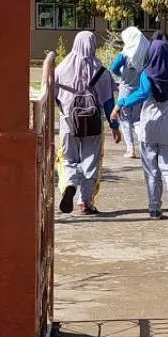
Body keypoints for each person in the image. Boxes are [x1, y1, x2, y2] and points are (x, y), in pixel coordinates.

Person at [112, 38, 168, 225]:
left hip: (149, 128)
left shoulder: (147, 74)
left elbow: (142, 94)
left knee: (151, 170)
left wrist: (121, 103)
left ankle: (155, 208)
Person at [55, 31, 120, 216]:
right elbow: (109, 104)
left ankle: (69, 184)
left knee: (68, 158)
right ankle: (85, 202)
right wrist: (115, 128)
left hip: (69, 120)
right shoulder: (102, 72)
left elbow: (53, 95)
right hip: (93, 122)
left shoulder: (61, 69)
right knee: (90, 161)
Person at [109, 26, 149, 159]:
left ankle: (130, 148)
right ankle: (143, 144)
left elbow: (113, 67)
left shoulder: (125, 54)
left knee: (125, 119)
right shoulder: (145, 53)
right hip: (140, 89)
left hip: (126, 89)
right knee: (138, 119)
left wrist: (121, 75)